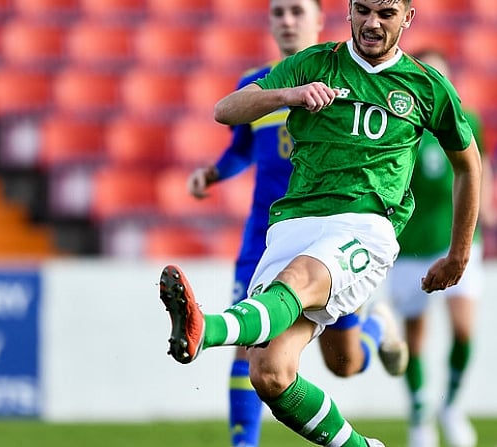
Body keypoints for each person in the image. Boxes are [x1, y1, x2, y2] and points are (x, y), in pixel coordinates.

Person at [159, 1, 482, 446]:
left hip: (363, 227)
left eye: (386, 13)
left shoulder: (426, 86)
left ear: (407, 18)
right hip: (292, 223)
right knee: (270, 373)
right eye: (363, 10)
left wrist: (459, 254)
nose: (372, 22)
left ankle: (207, 328)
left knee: (296, 281)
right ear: (348, 11)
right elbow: (226, 109)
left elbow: (468, 164)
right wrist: (287, 95)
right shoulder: (312, 64)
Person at [187, 1, 408, 445]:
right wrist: (214, 173)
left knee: (344, 364)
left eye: (296, 11)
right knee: (249, 346)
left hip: (332, 237)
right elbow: (243, 149)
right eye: (278, 13)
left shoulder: (348, 78)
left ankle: (376, 328)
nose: (287, 21)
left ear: (320, 19)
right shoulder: (258, 85)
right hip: (266, 236)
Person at [384, 48, 494, 447]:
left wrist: (489, 208)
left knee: (464, 330)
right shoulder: (401, 126)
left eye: (441, 76)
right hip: (410, 244)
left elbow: (479, 170)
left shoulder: (468, 123)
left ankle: (450, 405)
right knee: (415, 339)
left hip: (459, 239)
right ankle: (418, 413)